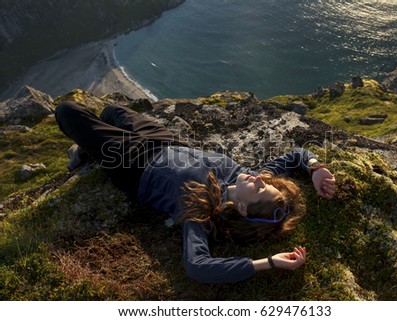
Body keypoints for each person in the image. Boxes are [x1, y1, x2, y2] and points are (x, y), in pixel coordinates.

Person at [55, 101, 336, 284]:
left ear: (241, 209)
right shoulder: (247, 175)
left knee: (67, 111)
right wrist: (315, 168)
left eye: (261, 189)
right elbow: (297, 154)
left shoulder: (201, 212)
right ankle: (92, 145)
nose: (261, 179)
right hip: (165, 141)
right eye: (268, 183)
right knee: (113, 112)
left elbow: (198, 265)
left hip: (133, 163)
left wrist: (268, 262)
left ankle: (90, 150)